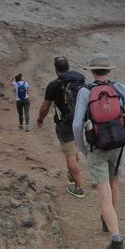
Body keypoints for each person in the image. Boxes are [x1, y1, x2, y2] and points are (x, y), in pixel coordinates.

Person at [73, 53, 125, 249]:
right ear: (109, 70)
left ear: (92, 71)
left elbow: (77, 124)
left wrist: (83, 149)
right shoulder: (119, 88)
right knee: (114, 185)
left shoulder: (85, 92)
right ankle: (108, 219)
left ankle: (117, 241)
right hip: (118, 146)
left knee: (103, 194)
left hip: (97, 147)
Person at [37, 56, 87, 198]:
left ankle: (78, 188)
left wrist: (40, 119)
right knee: (73, 149)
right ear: (68, 66)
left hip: (64, 124)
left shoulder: (54, 85)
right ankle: (72, 175)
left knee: (70, 155)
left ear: (56, 68)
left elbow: (45, 107)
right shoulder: (79, 81)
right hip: (79, 121)